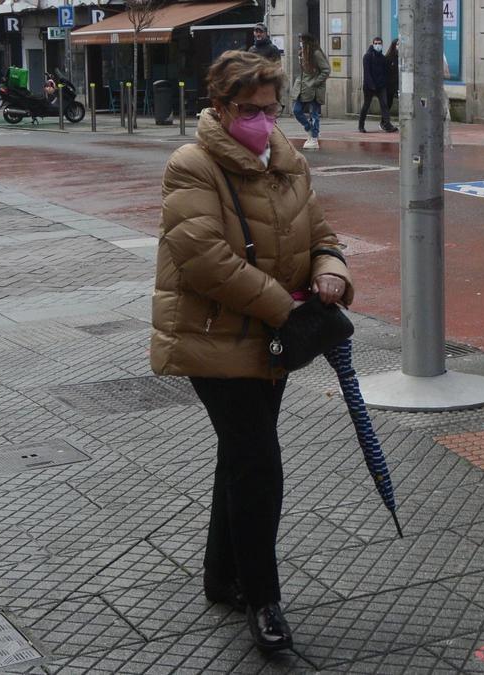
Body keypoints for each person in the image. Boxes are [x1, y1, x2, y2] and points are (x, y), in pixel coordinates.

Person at [150, 50, 353, 654]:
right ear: (219, 106)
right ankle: (264, 599)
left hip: (270, 341)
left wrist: (332, 271)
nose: (263, 121)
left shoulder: (287, 163)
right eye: (249, 109)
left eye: (271, 108)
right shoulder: (192, 165)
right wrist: (288, 308)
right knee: (258, 464)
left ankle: (222, 575)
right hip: (215, 338)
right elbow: (205, 261)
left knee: (241, 457)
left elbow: (322, 235)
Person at [293, 34, 330, 150]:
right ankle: (310, 129)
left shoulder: (316, 54)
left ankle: (314, 138)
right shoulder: (302, 54)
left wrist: (315, 82)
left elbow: (326, 70)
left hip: (313, 89)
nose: (300, 44)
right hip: (302, 87)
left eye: (302, 41)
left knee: (314, 114)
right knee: (296, 110)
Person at [358, 37, 398, 133]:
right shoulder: (367, 56)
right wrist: (371, 85)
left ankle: (387, 124)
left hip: (381, 86)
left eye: (379, 43)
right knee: (366, 106)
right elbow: (367, 73)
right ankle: (361, 125)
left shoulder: (382, 58)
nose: (377, 45)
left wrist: (384, 84)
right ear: (373, 44)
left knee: (384, 105)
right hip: (369, 86)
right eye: (376, 43)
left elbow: (385, 72)